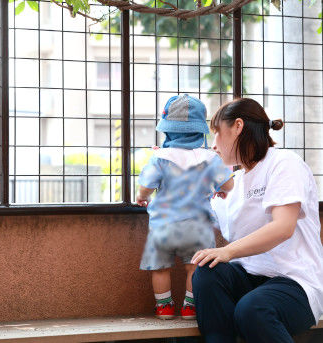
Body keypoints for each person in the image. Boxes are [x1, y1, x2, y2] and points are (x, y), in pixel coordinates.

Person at [191, 97, 323, 342]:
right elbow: (198, 219)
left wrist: (228, 251)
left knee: (252, 309)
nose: (213, 145)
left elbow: (283, 227)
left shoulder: (283, 163)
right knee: (207, 271)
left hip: (294, 282)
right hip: (250, 279)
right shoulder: (234, 184)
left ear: (238, 127)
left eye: (217, 133)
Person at [136, 94, 234, 320]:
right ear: (200, 130)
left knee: (160, 267)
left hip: (163, 225)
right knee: (195, 267)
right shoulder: (210, 158)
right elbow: (228, 184)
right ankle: (190, 307)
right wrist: (218, 188)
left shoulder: (159, 157)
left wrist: (142, 197)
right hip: (198, 225)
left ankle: (164, 308)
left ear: (167, 130)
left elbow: (145, 186)